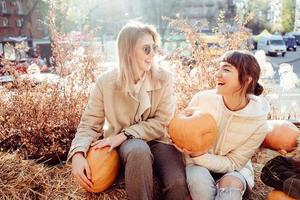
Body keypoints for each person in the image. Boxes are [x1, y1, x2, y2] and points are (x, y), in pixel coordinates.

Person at [67, 21, 189, 200]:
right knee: (137, 149)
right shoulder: (105, 83)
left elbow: (163, 122)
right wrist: (77, 153)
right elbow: (89, 124)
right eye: (146, 49)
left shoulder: (164, 79)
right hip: (128, 147)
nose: (153, 54)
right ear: (129, 51)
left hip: (159, 142)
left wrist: (123, 135)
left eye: (154, 48)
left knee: (177, 183)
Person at [182, 50, 270, 200]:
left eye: (226, 69)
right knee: (198, 181)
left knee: (230, 188)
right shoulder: (202, 99)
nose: (217, 74)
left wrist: (200, 156)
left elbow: (234, 162)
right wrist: (190, 149)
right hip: (197, 164)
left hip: (234, 170)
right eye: (219, 68)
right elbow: (184, 131)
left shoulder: (259, 123)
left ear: (247, 79)